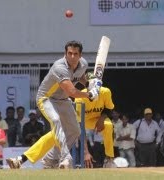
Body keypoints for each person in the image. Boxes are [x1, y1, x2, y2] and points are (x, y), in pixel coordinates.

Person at [6, 41, 101, 169]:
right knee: (56, 121)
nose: (72, 57)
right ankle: (66, 157)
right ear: (65, 53)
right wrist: (89, 95)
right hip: (46, 99)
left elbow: (80, 76)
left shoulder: (83, 64)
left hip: (63, 100)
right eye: (69, 53)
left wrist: (89, 84)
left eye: (75, 54)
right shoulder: (59, 67)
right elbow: (71, 91)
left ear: (80, 55)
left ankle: (48, 160)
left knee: (74, 131)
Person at [42, 71, 115, 168]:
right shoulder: (80, 98)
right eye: (91, 86)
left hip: (98, 118)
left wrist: (101, 119)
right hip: (84, 121)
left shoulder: (105, 92)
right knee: (65, 133)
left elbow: (109, 108)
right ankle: (58, 161)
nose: (95, 89)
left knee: (109, 125)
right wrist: (86, 152)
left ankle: (109, 158)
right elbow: (80, 126)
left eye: (96, 86)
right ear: (87, 86)